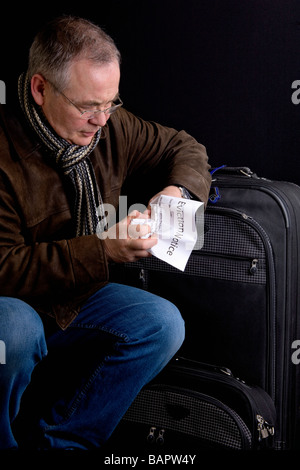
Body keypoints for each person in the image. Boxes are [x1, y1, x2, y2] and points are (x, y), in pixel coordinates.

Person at [0, 16, 211, 450]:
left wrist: (178, 190)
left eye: (110, 102)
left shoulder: (110, 124)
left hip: (74, 298)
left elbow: (185, 147)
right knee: (15, 331)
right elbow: (4, 268)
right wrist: (103, 250)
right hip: (14, 302)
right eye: (86, 106)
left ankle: (63, 443)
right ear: (40, 89)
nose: (101, 120)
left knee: (161, 323)